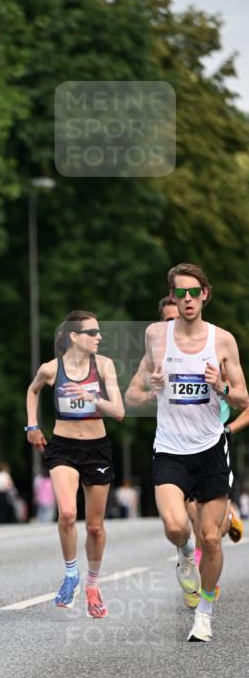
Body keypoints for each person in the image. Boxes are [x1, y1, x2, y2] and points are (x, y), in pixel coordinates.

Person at [126, 263, 249, 642]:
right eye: (180, 293)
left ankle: (205, 613)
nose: (188, 299)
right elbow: (132, 396)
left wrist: (220, 387)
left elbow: (244, 399)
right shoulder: (156, 336)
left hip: (210, 448)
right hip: (170, 448)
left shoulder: (222, 341)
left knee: (211, 539)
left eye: (194, 292)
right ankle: (183, 552)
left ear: (205, 295)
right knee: (177, 526)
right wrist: (151, 386)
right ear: (173, 297)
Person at [26, 311, 125, 617]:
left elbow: (119, 412)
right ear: (74, 336)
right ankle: (71, 575)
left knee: (95, 527)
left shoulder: (104, 365)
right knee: (68, 513)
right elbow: (32, 391)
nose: (98, 337)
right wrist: (32, 426)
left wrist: (91, 397)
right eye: (92, 332)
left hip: (96, 449)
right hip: (63, 447)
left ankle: (93, 585)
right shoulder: (51, 369)